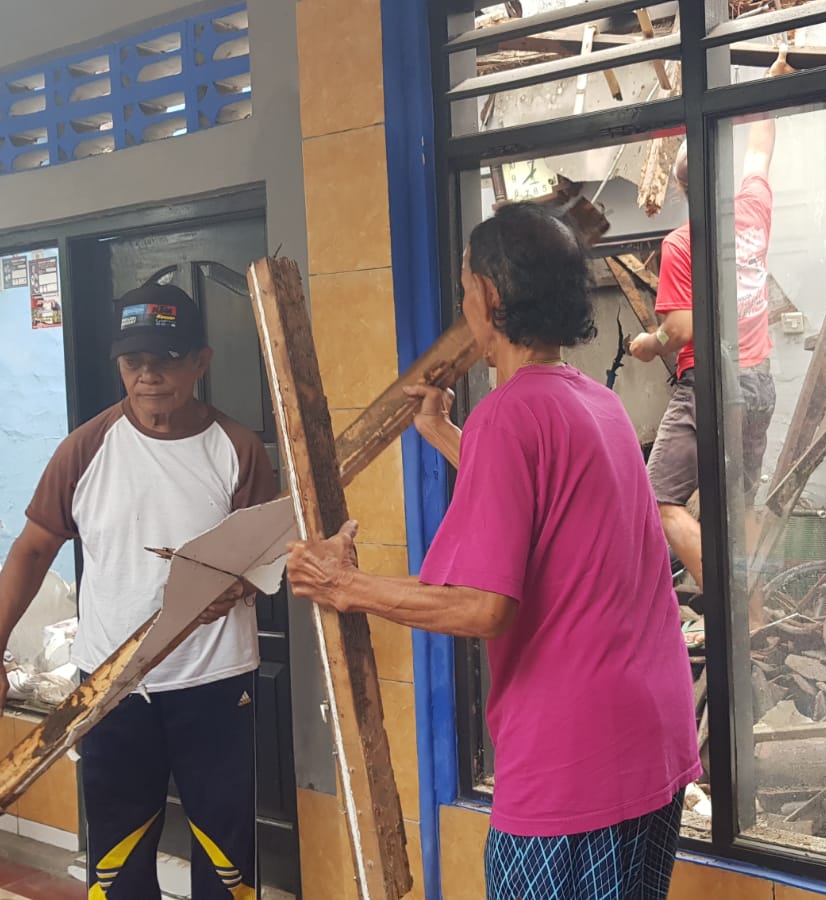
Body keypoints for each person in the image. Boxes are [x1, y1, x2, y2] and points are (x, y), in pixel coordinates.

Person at [287, 203, 700, 900]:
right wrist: (446, 436)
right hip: (651, 739)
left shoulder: (509, 415)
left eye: (464, 289)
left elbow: (483, 607)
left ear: (488, 294)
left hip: (573, 761)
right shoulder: (597, 406)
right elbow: (553, 506)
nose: (463, 305)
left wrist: (342, 586)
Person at [0, 283, 276, 899]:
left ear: (201, 362)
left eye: (166, 360)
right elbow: (31, 551)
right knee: (118, 858)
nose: (148, 377)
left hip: (214, 682)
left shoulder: (237, 449)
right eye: (133, 362)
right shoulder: (85, 450)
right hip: (110, 686)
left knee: (226, 857)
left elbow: (267, 554)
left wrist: (238, 585)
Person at [629, 55, 793, 601]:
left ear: (681, 189)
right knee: (740, 505)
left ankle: (726, 605)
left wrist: (649, 345)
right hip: (758, 382)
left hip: (709, 387)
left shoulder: (681, 243)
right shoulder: (753, 210)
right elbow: (761, 149)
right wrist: (766, 90)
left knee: (659, 499)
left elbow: (680, 328)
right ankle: (755, 620)